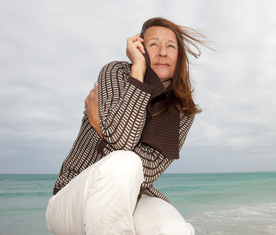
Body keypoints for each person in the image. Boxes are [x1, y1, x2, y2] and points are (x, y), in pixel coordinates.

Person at [46, 17, 206, 235]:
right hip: (72, 199)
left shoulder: (183, 111)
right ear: (139, 48)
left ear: (179, 57)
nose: (162, 52)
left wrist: (99, 126)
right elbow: (124, 142)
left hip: (135, 196)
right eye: (153, 44)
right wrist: (138, 70)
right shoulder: (116, 73)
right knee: (125, 162)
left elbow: (147, 170)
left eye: (171, 46)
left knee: (175, 229)